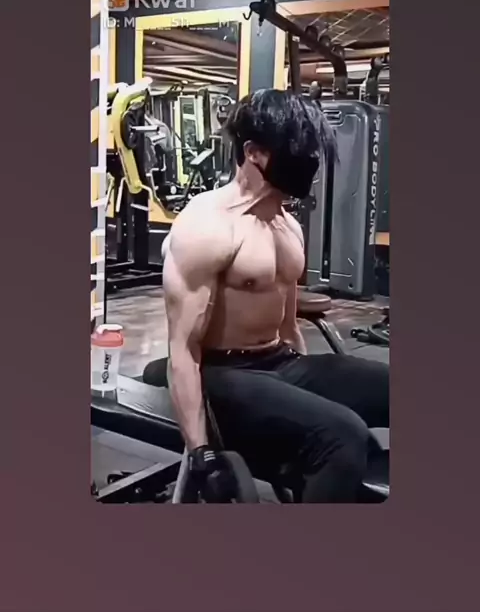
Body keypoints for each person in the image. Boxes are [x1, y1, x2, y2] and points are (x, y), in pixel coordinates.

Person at [144, 89, 389, 502]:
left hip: (280, 362)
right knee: (341, 435)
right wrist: (201, 453)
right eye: (298, 148)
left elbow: (288, 325)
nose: (310, 160)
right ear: (254, 152)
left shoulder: (287, 227)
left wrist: (305, 399)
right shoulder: (207, 226)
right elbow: (183, 350)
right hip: (221, 373)